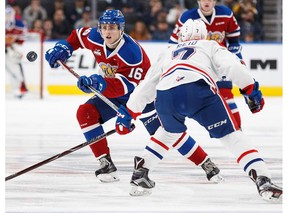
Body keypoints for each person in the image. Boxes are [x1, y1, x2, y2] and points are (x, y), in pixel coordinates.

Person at [45, 9, 223, 184]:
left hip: (142, 97)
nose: (107, 31)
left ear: (121, 29)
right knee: (86, 112)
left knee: (167, 132)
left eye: (112, 27)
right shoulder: (94, 36)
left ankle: (205, 163)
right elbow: (77, 36)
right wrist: (64, 48)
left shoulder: (132, 53)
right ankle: (106, 164)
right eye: (104, 27)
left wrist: (98, 83)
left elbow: (126, 88)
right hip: (113, 90)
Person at [115, 19, 282, 202]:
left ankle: (141, 171)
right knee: (231, 136)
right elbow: (233, 67)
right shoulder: (209, 45)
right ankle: (262, 178)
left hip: (165, 96)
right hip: (197, 90)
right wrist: (251, 90)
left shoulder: (168, 52)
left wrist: (128, 113)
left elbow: (146, 86)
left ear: (181, 36)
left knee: (168, 132)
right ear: (204, 34)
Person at [169, 0, 243, 128]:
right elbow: (173, 44)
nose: (206, 1)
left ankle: (237, 131)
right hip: (197, 66)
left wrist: (236, 60)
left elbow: (234, 41)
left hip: (219, 63)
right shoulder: (187, 17)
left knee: (227, 98)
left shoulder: (225, 14)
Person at [5, 4, 29, 99]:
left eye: (9, 14)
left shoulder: (19, 24)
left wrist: (13, 41)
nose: (8, 16)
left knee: (15, 68)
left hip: (12, 48)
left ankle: (18, 88)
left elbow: (23, 38)